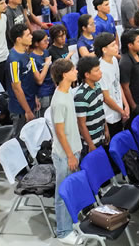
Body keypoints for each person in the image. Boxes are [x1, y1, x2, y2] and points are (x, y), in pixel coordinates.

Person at [49, 58, 81, 244]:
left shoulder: (67, 91)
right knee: (62, 194)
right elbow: (60, 133)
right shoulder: (59, 100)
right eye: (73, 69)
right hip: (64, 155)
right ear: (64, 74)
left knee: (70, 190)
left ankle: (70, 223)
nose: (76, 71)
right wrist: (70, 155)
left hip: (73, 150)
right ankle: (63, 231)